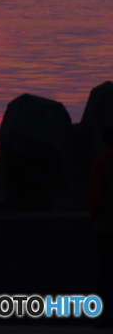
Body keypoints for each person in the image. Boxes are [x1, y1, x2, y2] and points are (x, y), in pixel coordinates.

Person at [88, 124, 113, 327]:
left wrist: (95, 217)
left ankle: (104, 317)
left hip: (104, 228)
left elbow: (94, 198)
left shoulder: (100, 165)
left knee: (105, 273)